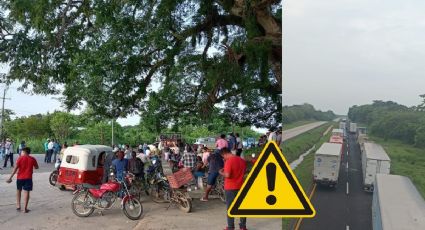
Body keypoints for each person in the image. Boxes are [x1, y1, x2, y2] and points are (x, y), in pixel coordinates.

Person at [219, 147, 247, 230]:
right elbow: (243, 171)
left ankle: (230, 227)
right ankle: (243, 227)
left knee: (230, 208)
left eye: (223, 156)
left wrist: (221, 172)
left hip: (231, 188)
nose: (223, 158)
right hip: (241, 186)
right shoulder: (242, 160)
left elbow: (227, 175)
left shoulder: (229, 161)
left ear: (224, 154)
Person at [6, 147, 39, 213]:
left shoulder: (20, 158)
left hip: (20, 178)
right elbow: (36, 167)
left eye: (21, 152)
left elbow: (15, 168)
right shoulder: (32, 159)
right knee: (27, 192)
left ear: (24, 152)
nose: (21, 153)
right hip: (28, 178)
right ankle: (25, 209)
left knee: (18, 191)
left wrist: (10, 178)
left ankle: (18, 206)